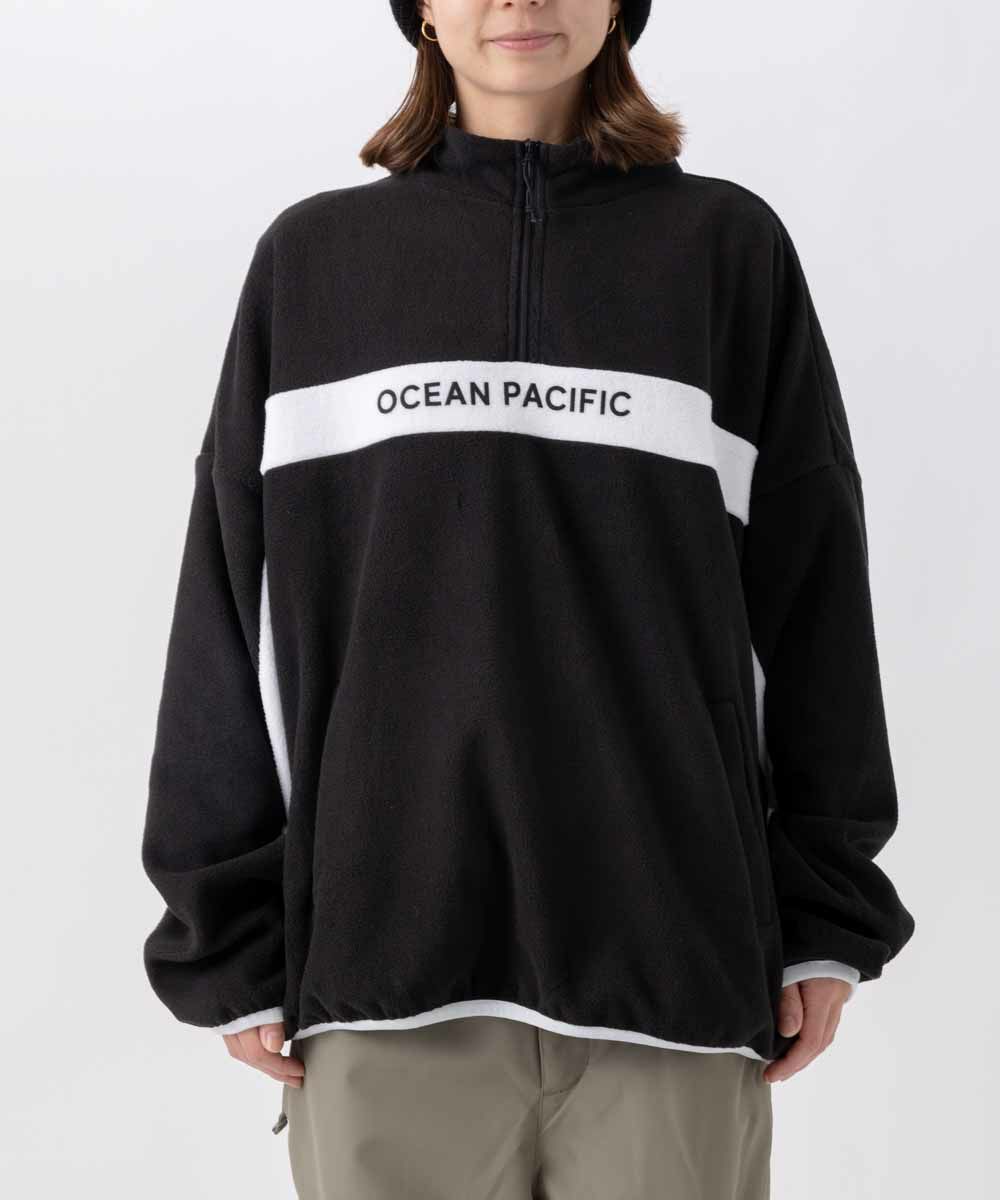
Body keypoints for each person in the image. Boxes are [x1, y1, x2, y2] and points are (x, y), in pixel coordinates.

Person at [140, 2, 915, 1195]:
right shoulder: (315, 260)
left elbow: (811, 603)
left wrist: (823, 911)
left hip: (673, 964)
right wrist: (226, 934)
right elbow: (229, 609)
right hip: (383, 969)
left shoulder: (724, 250)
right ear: (424, 11)